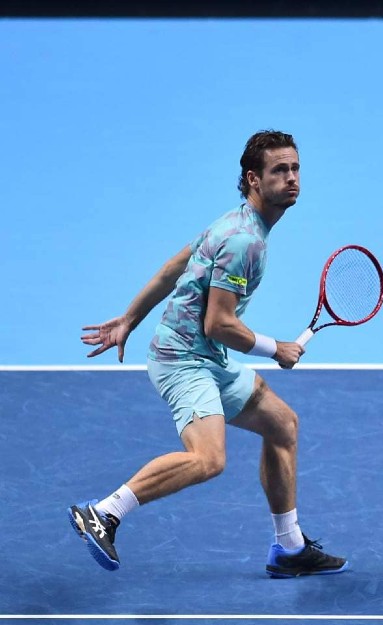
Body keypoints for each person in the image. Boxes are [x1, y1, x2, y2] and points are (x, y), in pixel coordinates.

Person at [69, 130, 349, 579]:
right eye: (280, 170)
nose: (292, 178)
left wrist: (129, 319)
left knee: (283, 425)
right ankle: (103, 513)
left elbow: (176, 266)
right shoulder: (246, 243)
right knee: (208, 459)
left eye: (296, 168)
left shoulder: (234, 222)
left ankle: (290, 547)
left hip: (203, 354)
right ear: (254, 180)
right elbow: (218, 323)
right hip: (184, 359)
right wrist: (276, 349)